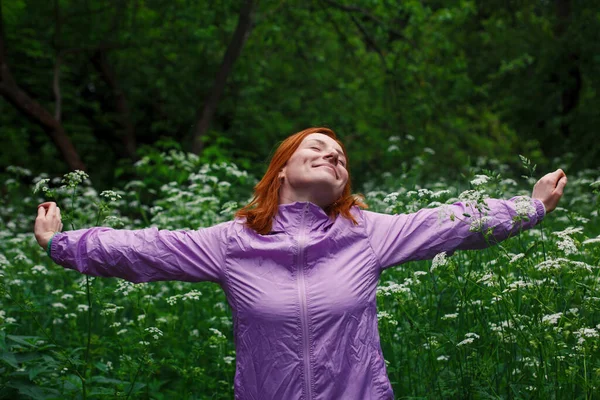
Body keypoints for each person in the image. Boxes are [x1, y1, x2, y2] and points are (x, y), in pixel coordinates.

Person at [34, 127, 567, 400]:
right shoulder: (231, 242)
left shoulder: (367, 234)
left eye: (341, 157)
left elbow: (452, 221)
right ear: (282, 168)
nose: (334, 156)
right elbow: (146, 249)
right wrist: (62, 243)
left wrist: (532, 205)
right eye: (319, 147)